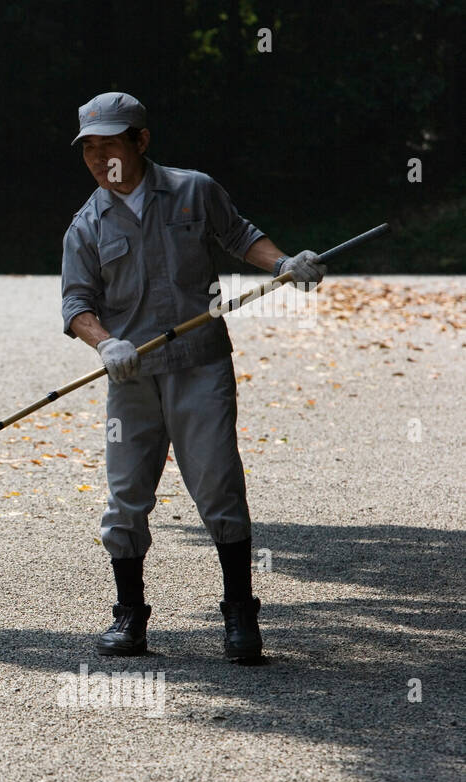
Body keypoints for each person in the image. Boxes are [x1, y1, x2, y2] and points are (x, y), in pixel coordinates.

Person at [60, 91, 325, 662]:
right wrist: (107, 345)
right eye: (89, 148)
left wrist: (282, 264)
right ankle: (129, 616)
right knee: (125, 498)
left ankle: (239, 615)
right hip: (132, 377)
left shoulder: (193, 190)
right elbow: (75, 305)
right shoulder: (85, 226)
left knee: (218, 486)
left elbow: (240, 235)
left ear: (141, 141)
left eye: (111, 143)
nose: (99, 156)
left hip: (201, 364)